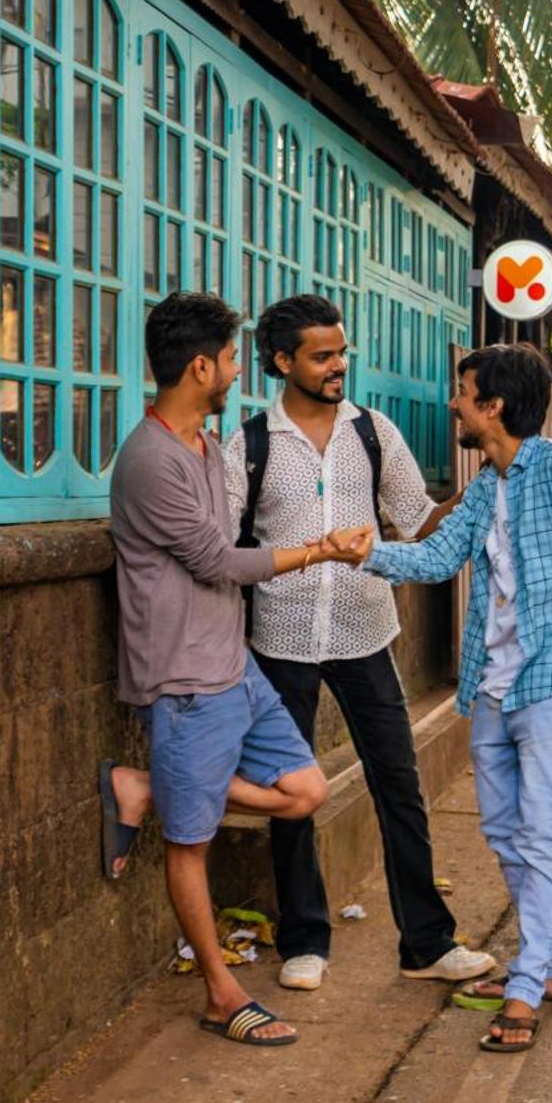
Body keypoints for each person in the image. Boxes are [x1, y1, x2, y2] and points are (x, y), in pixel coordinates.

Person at [333, 345, 552, 1054]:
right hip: (493, 681)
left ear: (493, 405)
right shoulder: (486, 486)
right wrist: (366, 551)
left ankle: (525, 985)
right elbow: (440, 559)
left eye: (463, 392)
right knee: (504, 828)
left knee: (539, 828)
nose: (454, 403)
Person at [98, 290, 366, 1047]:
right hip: (183, 677)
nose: (235, 373)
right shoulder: (149, 460)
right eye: (228, 359)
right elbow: (220, 560)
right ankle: (221, 990)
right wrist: (318, 548)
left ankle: (146, 786)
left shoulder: (208, 449)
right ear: (200, 366)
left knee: (306, 789)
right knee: (191, 845)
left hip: (233, 665)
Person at [224, 294, 496, 993]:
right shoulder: (249, 444)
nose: (338, 364)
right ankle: (303, 940)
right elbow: (222, 547)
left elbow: (416, 522)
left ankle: (427, 942)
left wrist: (482, 483)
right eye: (322, 355)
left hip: (365, 631)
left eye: (341, 350)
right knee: (294, 792)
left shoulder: (374, 433)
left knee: (398, 784)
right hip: (279, 636)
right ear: (283, 362)